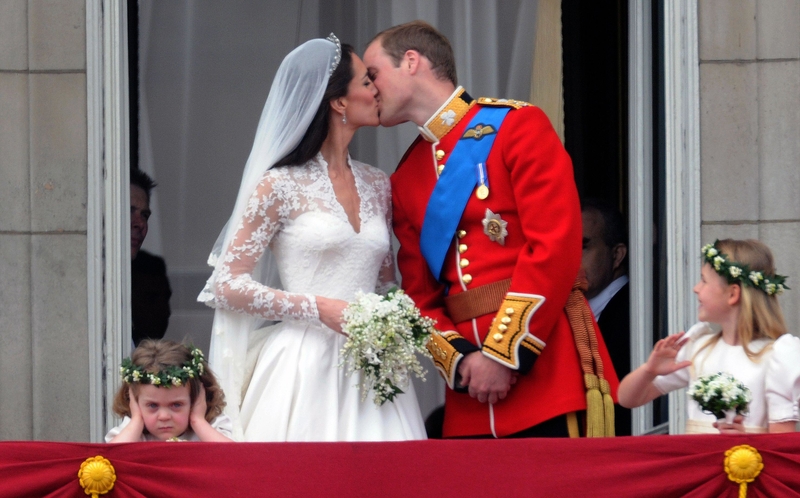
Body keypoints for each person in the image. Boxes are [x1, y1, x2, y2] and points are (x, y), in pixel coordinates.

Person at [364, 21, 619, 438]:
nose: (370, 89)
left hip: (546, 370)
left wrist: (503, 355)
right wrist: (462, 360)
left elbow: (554, 246)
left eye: (374, 74)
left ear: (411, 62)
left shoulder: (518, 126)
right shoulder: (406, 176)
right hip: (471, 395)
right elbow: (419, 296)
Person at [197, 34, 426, 441]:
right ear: (339, 101)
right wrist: (317, 307)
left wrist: (394, 319)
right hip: (303, 365)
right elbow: (227, 285)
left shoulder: (377, 183)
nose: (377, 91)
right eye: (367, 82)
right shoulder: (277, 186)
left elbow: (384, 282)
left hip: (373, 368)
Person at [618, 239, 800, 434]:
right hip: (697, 463)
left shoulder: (775, 357)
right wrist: (649, 370)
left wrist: (745, 441)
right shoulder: (698, 348)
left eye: (704, 280)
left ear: (733, 294)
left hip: (747, 462)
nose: (696, 288)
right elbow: (627, 399)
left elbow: (782, 444)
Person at [106, 340, 233, 442]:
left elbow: (234, 457)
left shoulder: (211, 428)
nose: (164, 416)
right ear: (134, 402)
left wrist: (198, 421)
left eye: (176, 405)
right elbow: (110, 458)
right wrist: (137, 421)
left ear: (196, 400)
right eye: (152, 405)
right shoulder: (132, 432)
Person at [581, 198, 631, 435]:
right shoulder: (569, 310)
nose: (570, 257)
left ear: (617, 255)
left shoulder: (633, 314)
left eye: (583, 246)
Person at [130, 168, 172, 346]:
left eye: (144, 215)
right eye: (129, 211)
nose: (140, 224)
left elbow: (155, 331)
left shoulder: (151, 270)